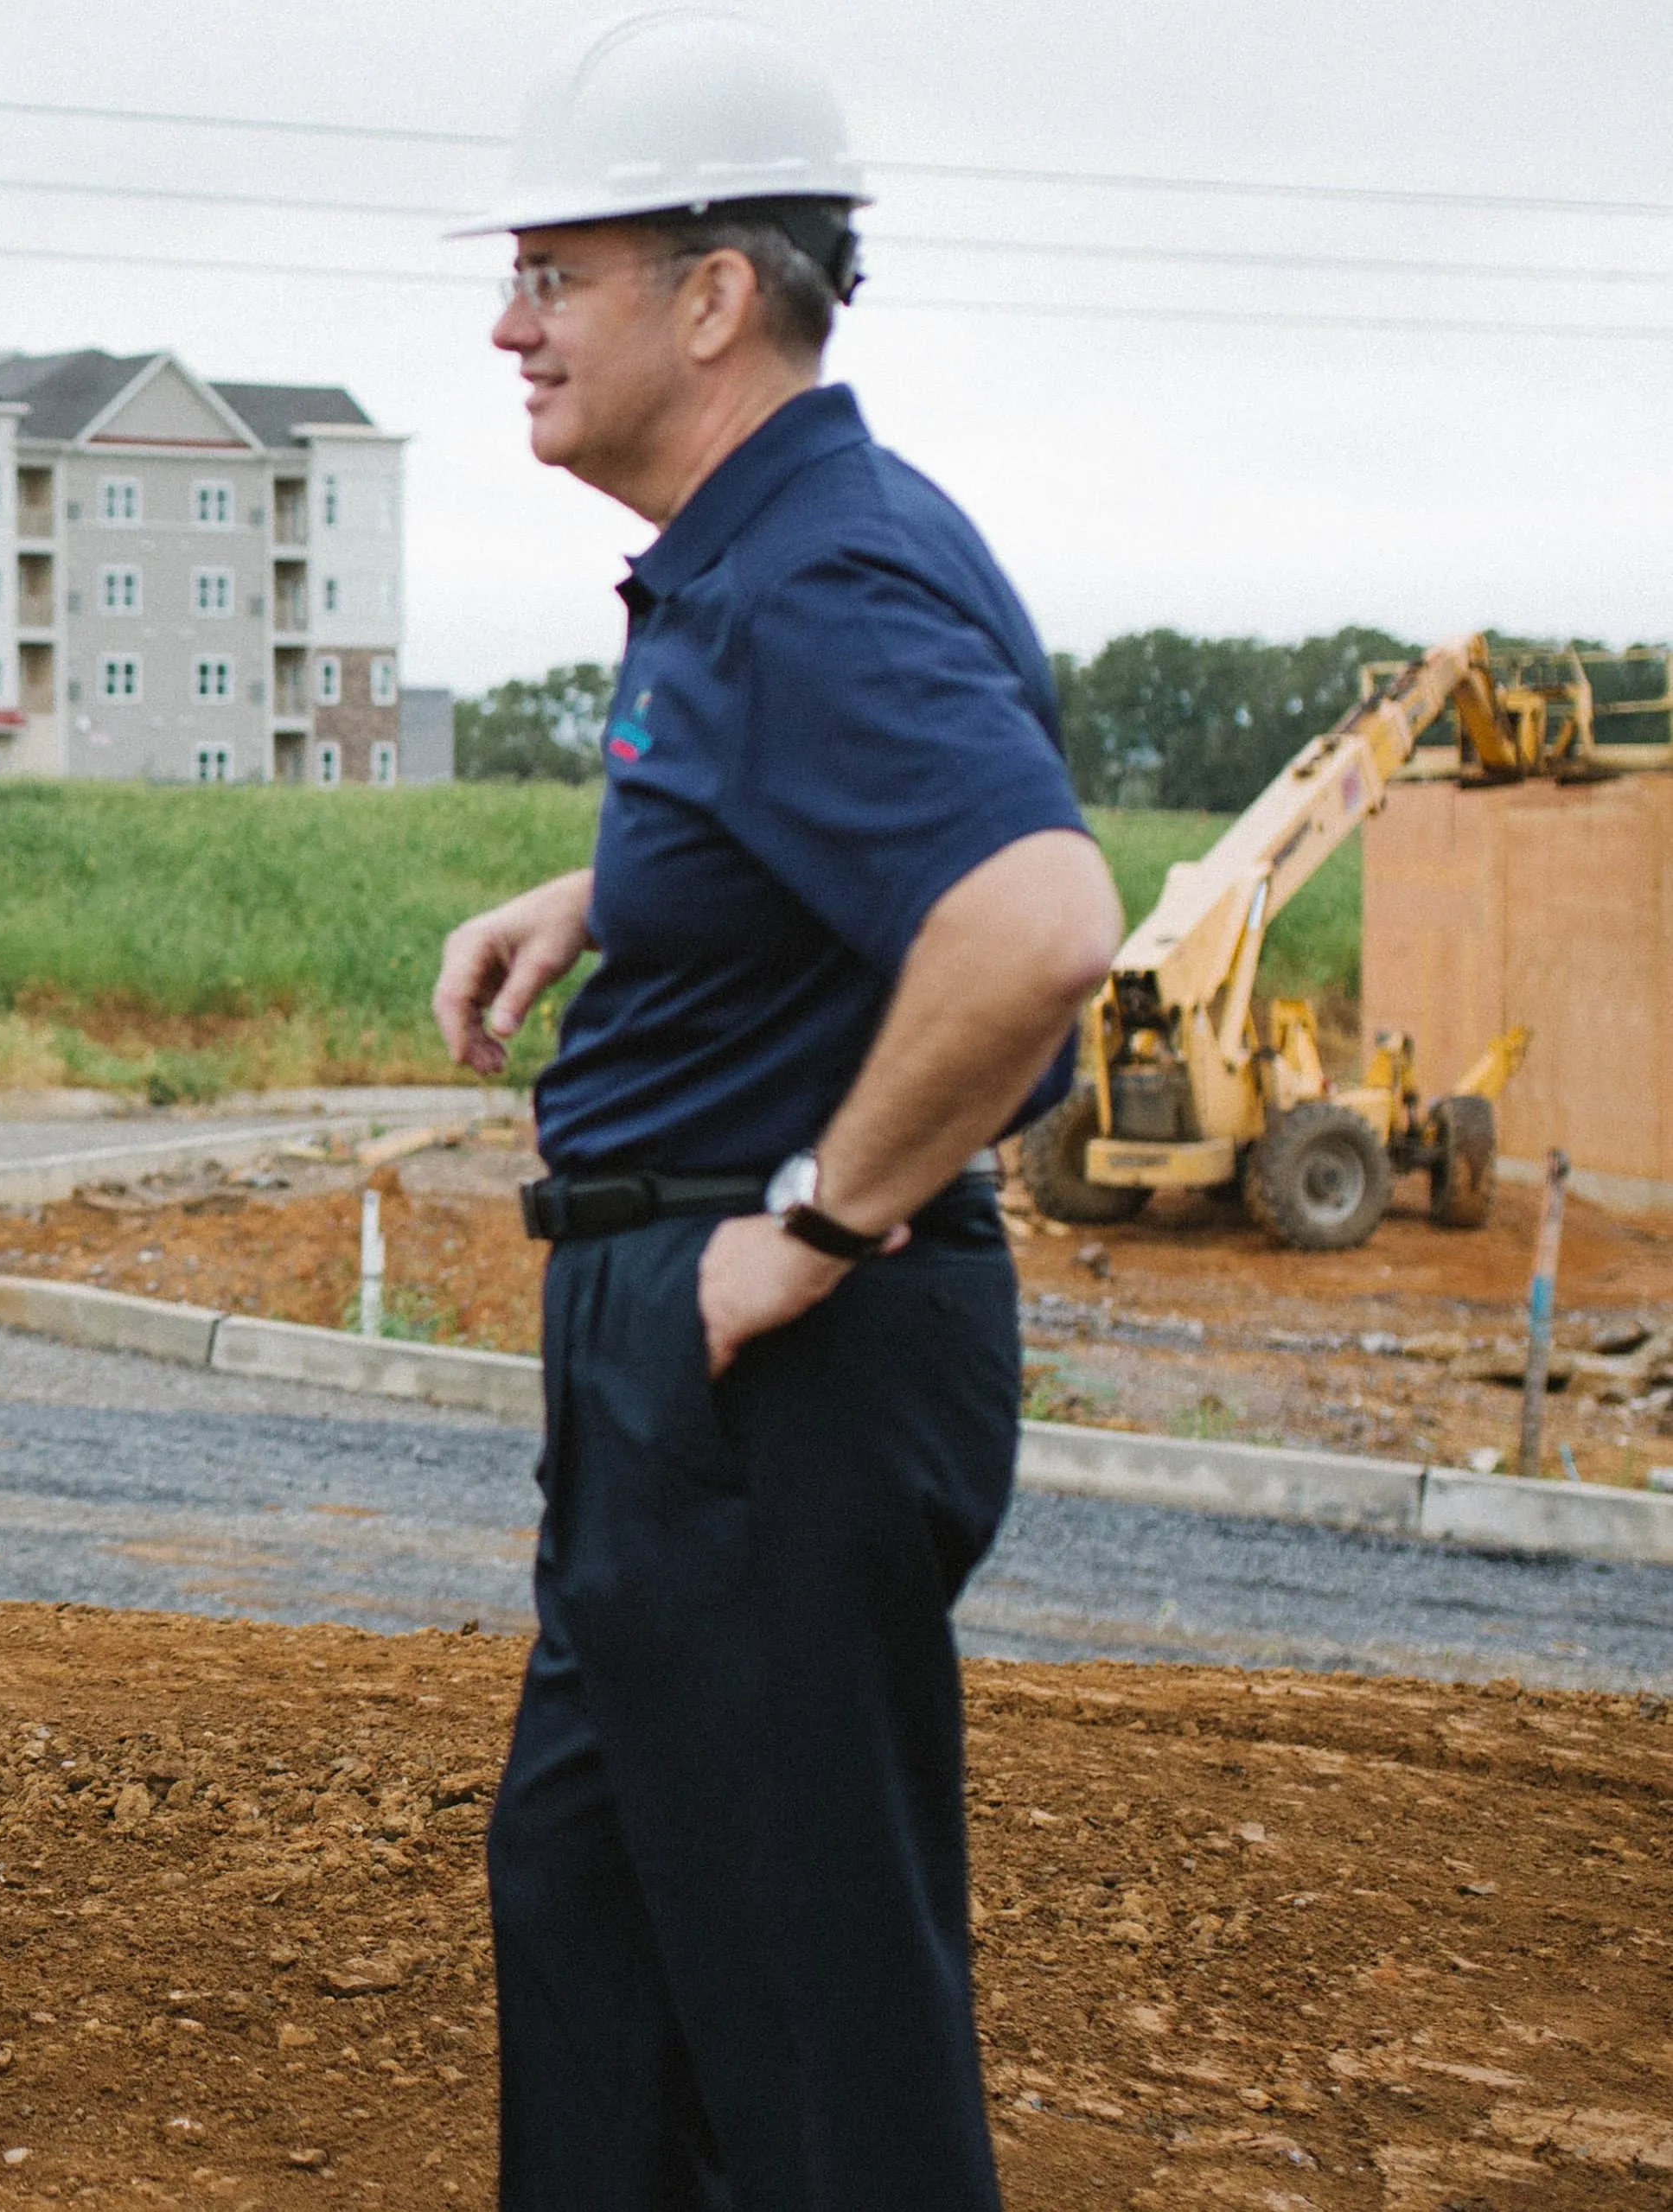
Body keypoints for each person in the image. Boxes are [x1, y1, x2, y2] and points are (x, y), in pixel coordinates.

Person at [428, 16, 1125, 2210]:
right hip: (688, 1364)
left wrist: (817, 1219)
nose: (507, 319)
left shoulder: (816, 564)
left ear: (712, 295)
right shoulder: (756, 555)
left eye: (556, 270)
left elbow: (1034, 921)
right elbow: (850, 850)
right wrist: (609, 890)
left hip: (772, 1355)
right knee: (600, 1921)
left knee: (805, 2013)